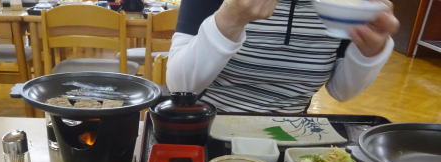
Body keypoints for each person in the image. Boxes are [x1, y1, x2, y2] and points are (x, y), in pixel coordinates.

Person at [166, 0, 399, 113]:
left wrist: (370, 51)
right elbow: (179, 86)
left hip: (294, 135)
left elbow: (341, 91)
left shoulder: (343, 5)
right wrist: (229, 19)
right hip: (206, 126)